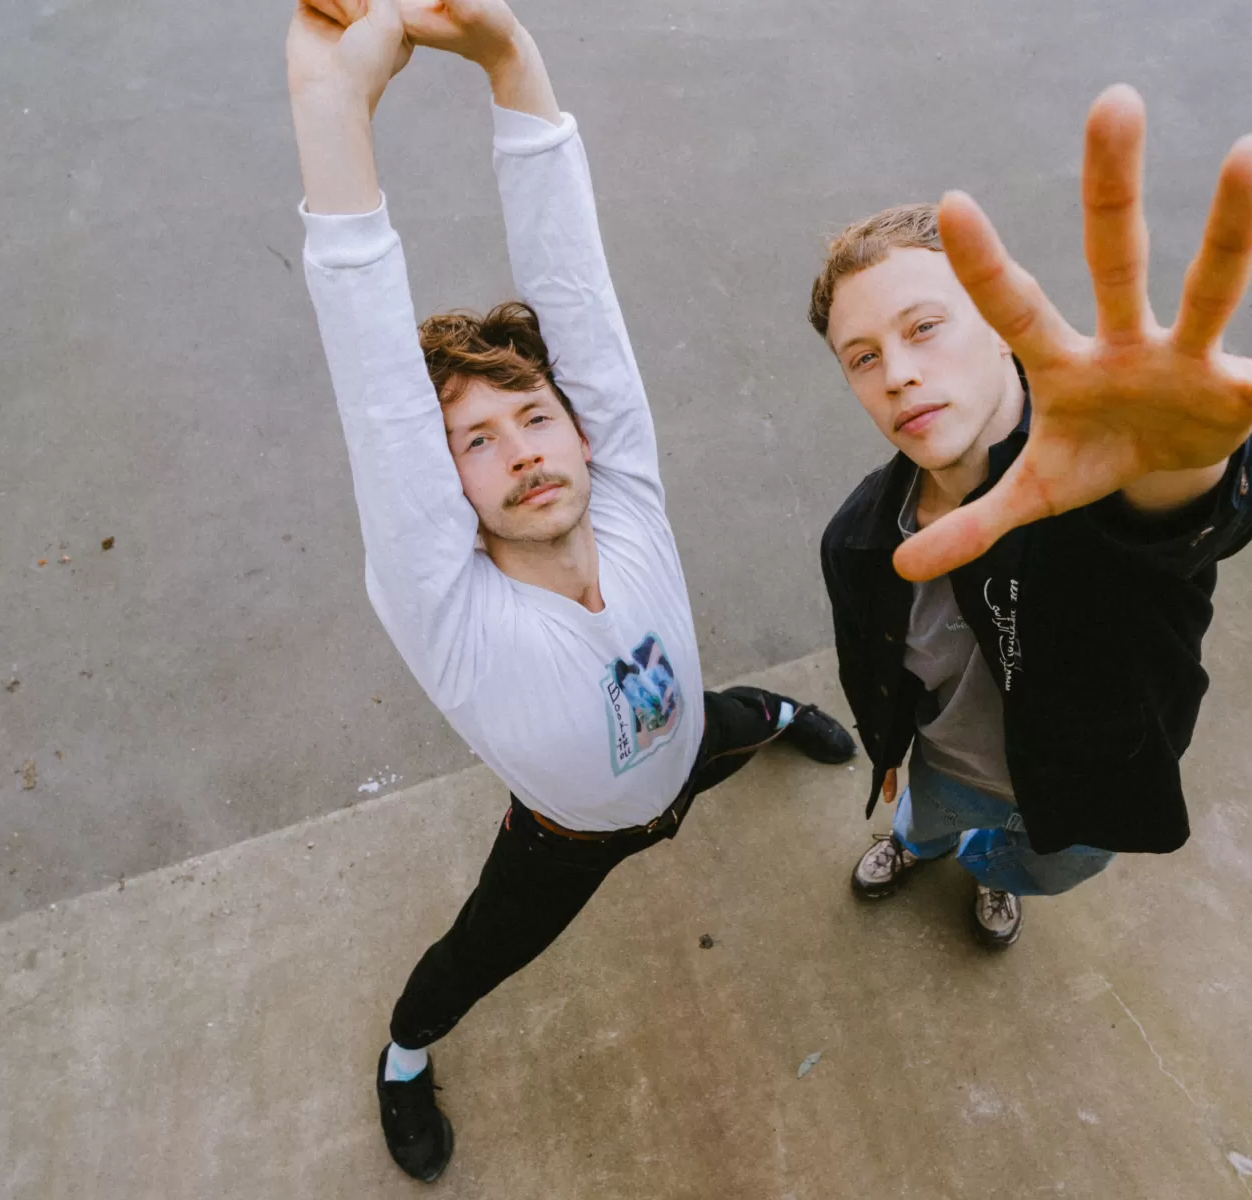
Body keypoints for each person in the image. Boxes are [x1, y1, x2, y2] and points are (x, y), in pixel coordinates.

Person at [284, 0, 855, 1181]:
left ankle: (780, 717)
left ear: (583, 430)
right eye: (479, 442)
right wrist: (334, 115)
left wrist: (508, 52)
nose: (526, 448)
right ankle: (403, 1053)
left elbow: (575, 291)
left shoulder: (624, 489)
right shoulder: (446, 605)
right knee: (474, 956)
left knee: (735, 717)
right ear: (443, 493)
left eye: (536, 416)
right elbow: (377, 384)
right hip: (566, 840)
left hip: (687, 735)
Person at [813, 85, 1252, 948]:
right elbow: (874, 661)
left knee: (1028, 862)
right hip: (948, 766)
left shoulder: (1102, 481)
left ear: (999, 329)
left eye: (926, 327)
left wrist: (1184, 460)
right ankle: (918, 847)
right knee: (928, 819)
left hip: (1088, 789)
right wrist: (884, 750)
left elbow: (1172, 530)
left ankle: (994, 877)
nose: (899, 375)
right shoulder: (857, 536)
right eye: (863, 357)